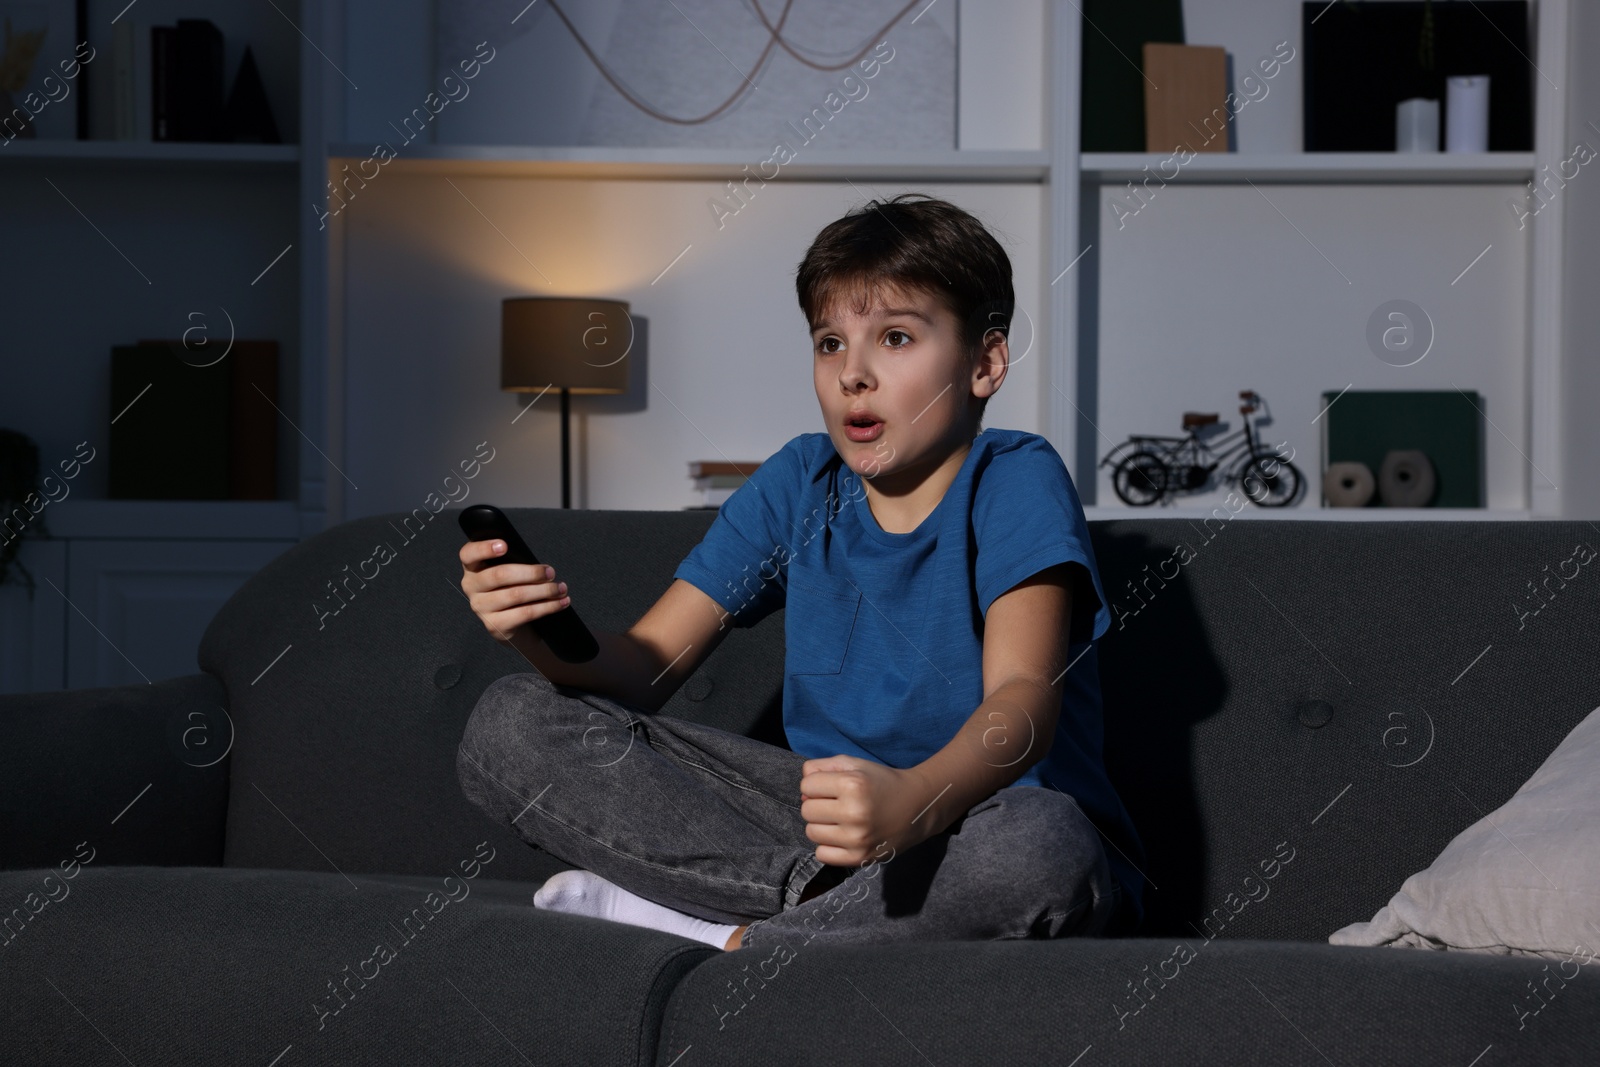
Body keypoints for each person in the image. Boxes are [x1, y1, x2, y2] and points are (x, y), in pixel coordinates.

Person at [455, 193, 1146, 956]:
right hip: (821, 843)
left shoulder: (1016, 477)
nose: (853, 373)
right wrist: (541, 635)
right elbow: (644, 667)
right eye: (828, 343)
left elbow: (1024, 702)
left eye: (894, 337)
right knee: (511, 720)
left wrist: (914, 803)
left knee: (1042, 844)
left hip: (974, 820)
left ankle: (736, 939)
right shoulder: (797, 480)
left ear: (985, 362)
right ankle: (813, 922)